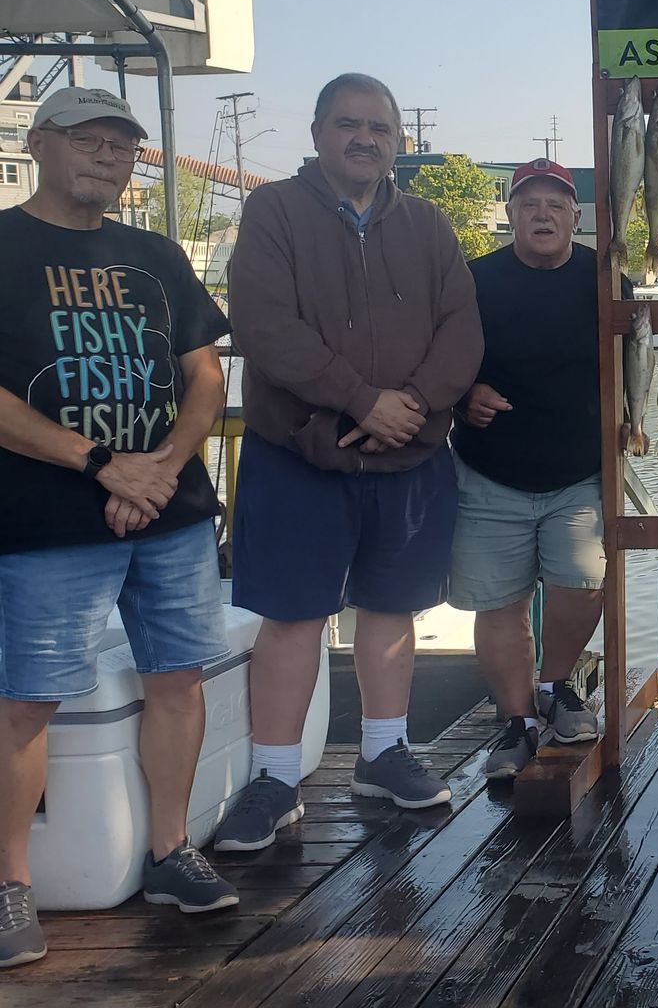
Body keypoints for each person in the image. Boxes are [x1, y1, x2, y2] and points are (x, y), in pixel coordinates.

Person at [212, 74, 482, 851]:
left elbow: (461, 330)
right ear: (318, 132)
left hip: (409, 456)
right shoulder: (272, 213)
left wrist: (413, 405)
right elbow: (264, 326)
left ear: (398, 139)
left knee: (392, 611)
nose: (365, 137)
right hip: (298, 452)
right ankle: (273, 779)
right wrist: (360, 400)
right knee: (292, 617)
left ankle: (383, 754)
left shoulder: (430, 225)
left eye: (380, 127)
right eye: (348, 124)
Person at [1, 89, 239, 968]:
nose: (108, 156)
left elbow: (203, 376)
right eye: (89, 140)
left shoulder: (156, 253)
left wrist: (163, 467)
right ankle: (10, 888)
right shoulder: (2, 245)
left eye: (123, 146)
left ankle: (172, 851)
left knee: (178, 681)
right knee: (27, 701)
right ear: (40, 143)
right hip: (47, 518)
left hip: (169, 512)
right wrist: (102, 464)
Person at [451, 158, 615, 778]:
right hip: (489, 470)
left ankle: (556, 685)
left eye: (555, 205)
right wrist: (463, 393)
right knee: (499, 604)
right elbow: (439, 358)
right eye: (529, 204)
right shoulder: (473, 280)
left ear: (575, 216)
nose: (541, 214)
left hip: (577, 472)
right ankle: (516, 720)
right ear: (511, 214)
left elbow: (636, 356)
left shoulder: (601, 278)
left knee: (583, 586)